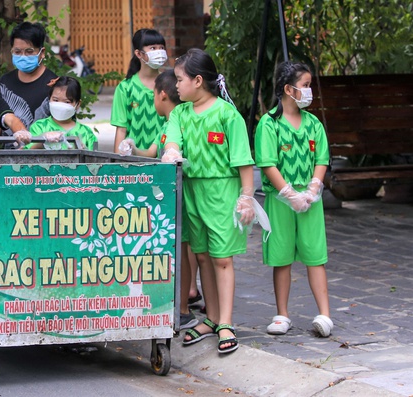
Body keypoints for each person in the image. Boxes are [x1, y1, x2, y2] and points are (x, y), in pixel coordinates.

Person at [162, 49, 256, 354]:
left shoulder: (228, 115)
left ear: (198, 80)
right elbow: (173, 141)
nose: (175, 85)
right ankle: (212, 317)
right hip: (192, 191)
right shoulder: (180, 113)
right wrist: (172, 152)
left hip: (222, 193)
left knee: (222, 258)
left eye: (179, 79)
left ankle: (226, 321)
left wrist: (246, 196)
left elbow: (243, 160)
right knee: (201, 256)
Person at [117, 69, 202, 328]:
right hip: (167, 201)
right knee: (175, 248)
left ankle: (184, 307)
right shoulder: (165, 126)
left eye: (153, 95)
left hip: (184, 198)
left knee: (184, 248)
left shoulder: (183, 123)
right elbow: (151, 152)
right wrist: (132, 148)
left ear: (162, 95)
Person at [254, 61, 332, 337]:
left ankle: (324, 314)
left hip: (311, 201)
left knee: (315, 255)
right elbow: (267, 162)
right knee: (281, 255)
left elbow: (321, 158)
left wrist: (312, 189)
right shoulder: (269, 123)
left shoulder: (313, 123)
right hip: (280, 200)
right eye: (306, 86)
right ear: (288, 89)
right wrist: (289, 194)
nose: (310, 91)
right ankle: (282, 314)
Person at [111, 28, 168, 154]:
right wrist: (117, 162)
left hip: (164, 159)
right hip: (133, 160)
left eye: (162, 47)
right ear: (138, 53)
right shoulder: (125, 88)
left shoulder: (170, 84)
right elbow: (121, 129)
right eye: (153, 48)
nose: (159, 52)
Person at [0, 22, 57, 129]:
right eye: (17, 51)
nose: (23, 56)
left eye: (29, 51)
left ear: (42, 52)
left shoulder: (54, 84)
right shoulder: (5, 82)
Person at [27, 76, 98, 150]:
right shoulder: (39, 127)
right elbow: (27, 154)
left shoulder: (86, 132)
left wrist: (83, 151)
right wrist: (43, 140)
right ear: (49, 99)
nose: (60, 105)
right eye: (55, 100)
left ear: (78, 104)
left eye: (67, 102)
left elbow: (93, 159)